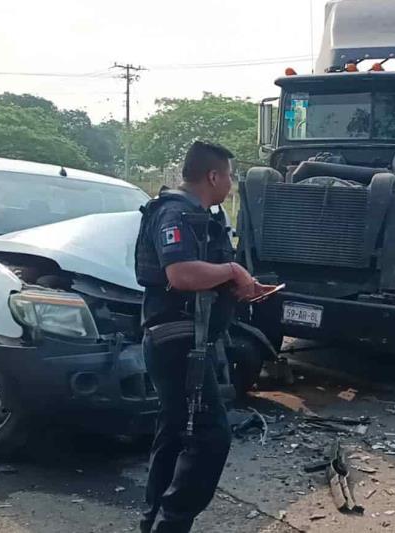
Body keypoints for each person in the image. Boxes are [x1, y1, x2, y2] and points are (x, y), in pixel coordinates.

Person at [135, 140, 273, 532]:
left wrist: (238, 284)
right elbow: (180, 275)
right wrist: (230, 271)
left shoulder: (196, 214)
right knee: (211, 437)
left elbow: (199, 275)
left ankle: (153, 522)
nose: (231, 183)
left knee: (177, 433)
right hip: (178, 341)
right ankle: (170, 525)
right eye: (229, 175)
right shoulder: (176, 212)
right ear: (213, 176)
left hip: (189, 339)